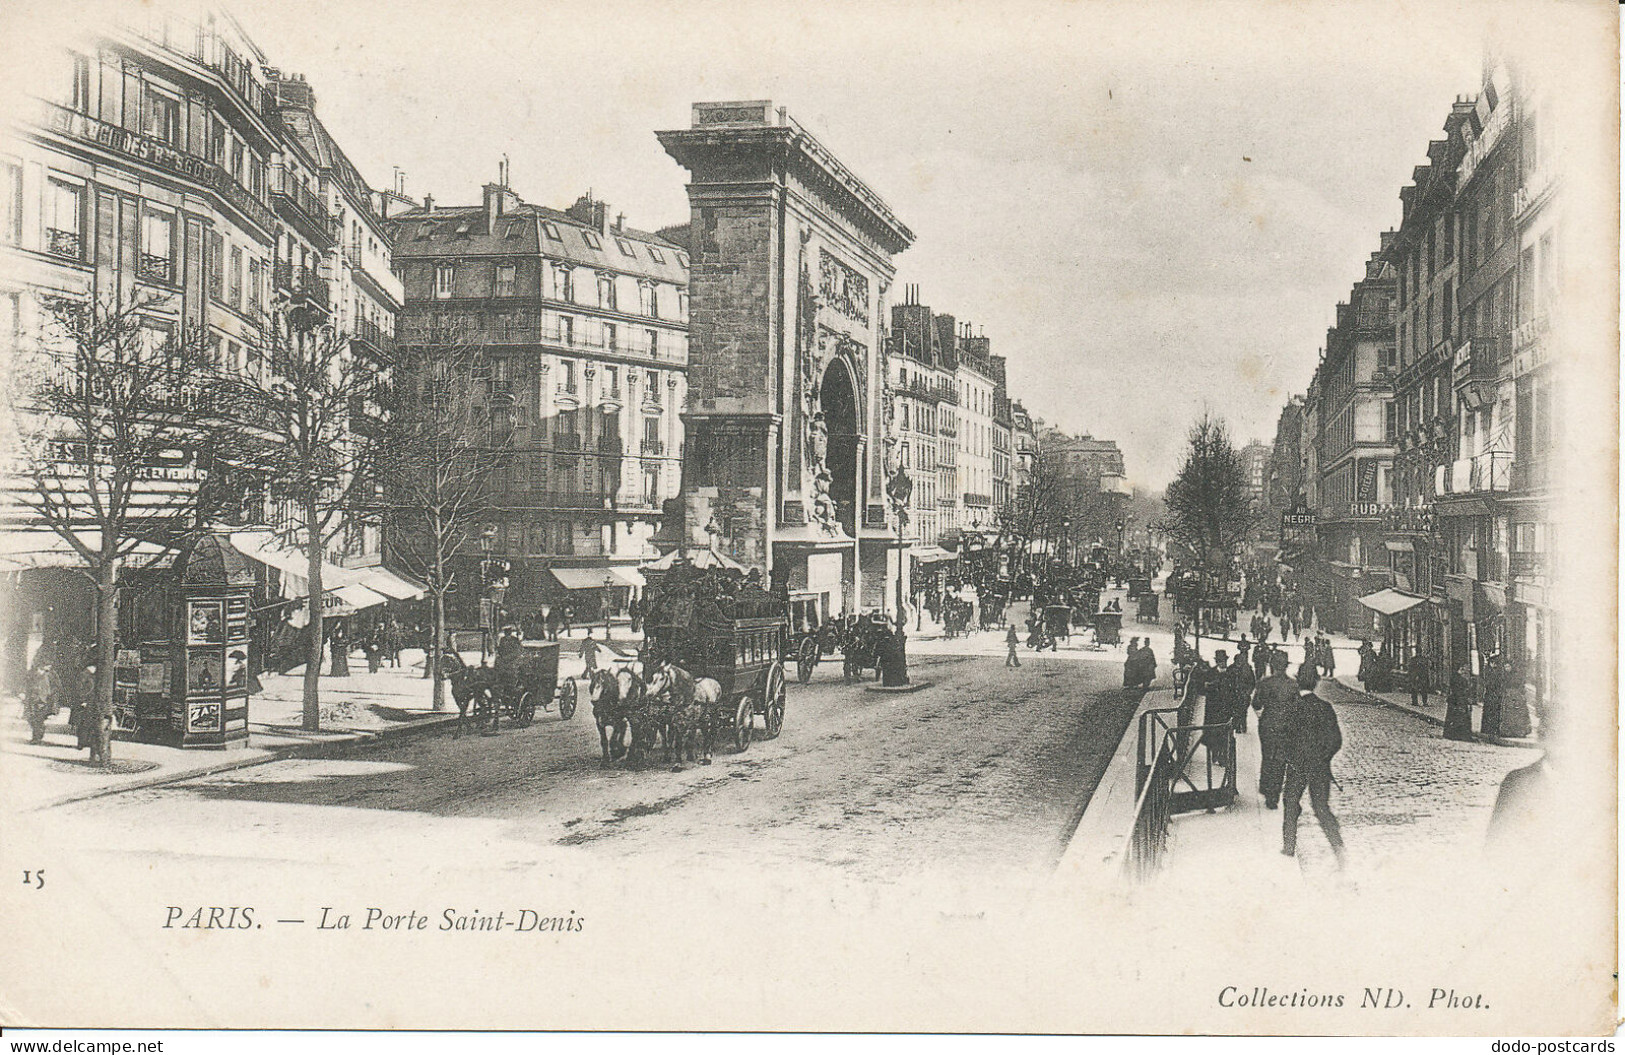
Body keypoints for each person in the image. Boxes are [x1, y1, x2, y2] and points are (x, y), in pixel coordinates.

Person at [1281, 663, 1346, 866]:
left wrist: (1292, 758)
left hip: (1297, 767)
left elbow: (1282, 739)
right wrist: (1322, 758)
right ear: (1316, 682)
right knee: (1321, 808)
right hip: (1319, 768)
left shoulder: (1291, 707)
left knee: (1291, 803)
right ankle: (1339, 850)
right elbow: (1336, 741)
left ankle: (1289, 847)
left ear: (1297, 681)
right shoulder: (1324, 707)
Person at [1252, 650, 1296, 808]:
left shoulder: (1265, 683)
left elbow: (1256, 704)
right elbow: (1298, 708)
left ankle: (1266, 788)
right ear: (1285, 666)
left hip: (1267, 725)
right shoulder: (1293, 685)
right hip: (1285, 727)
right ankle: (1274, 795)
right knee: (1280, 760)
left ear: (1272, 665)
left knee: (1267, 756)